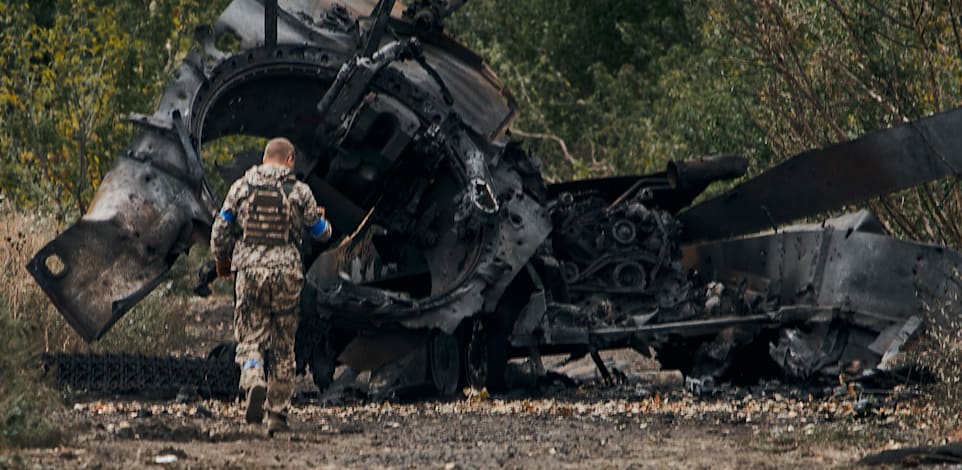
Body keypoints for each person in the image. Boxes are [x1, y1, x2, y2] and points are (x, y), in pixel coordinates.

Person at [211, 137, 332, 435]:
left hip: (250, 273)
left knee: (250, 338)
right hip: (287, 274)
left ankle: (253, 380)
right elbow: (321, 233)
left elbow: (220, 232)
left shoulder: (241, 188)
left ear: (265, 158)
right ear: (289, 159)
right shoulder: (300, 192)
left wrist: (224, 266)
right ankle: (277, 414)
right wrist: (323, 222)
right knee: (282, 345)